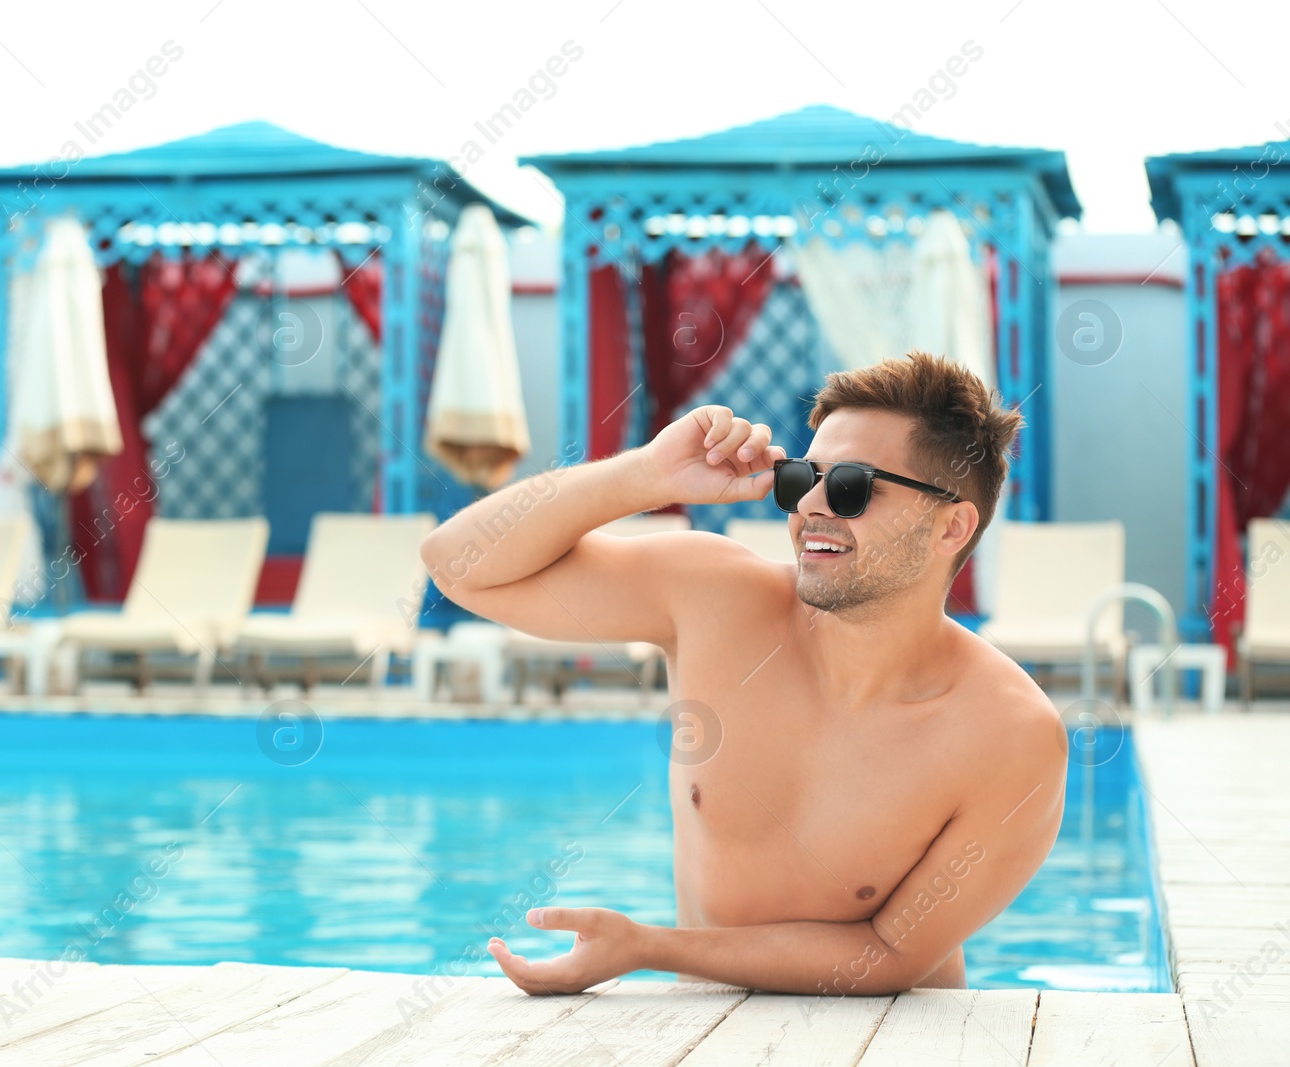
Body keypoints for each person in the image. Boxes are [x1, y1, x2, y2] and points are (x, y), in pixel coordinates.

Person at [418, 351, 1069, 996]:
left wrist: (649, 947)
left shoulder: (1009, 735)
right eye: (798, 477)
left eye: (850, 485)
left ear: (951, 525)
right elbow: (456, 562)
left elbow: (888, 954)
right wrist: (649, 474)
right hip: (705, 1036)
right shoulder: (718, 600)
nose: (811, 504)